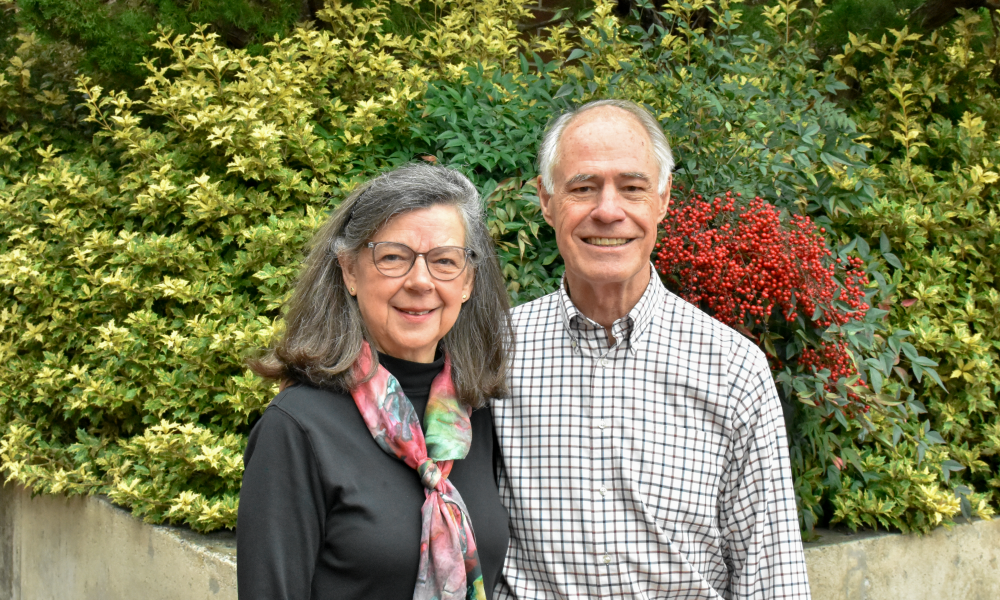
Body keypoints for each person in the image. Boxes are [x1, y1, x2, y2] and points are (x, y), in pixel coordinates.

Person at [493, 99, 812, 599]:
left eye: (632, 188)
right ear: (547, 200)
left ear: (662, 200)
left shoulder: (733, 370)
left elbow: (770, 577)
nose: (607, 210)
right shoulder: (495, 354)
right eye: (582, 188)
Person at [238, 163, 513, 600]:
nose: (420, 281)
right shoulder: (297, 428)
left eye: (444, 261)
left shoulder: (474, 415)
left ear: (468, 281)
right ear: (349, 271)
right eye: (392, 257)